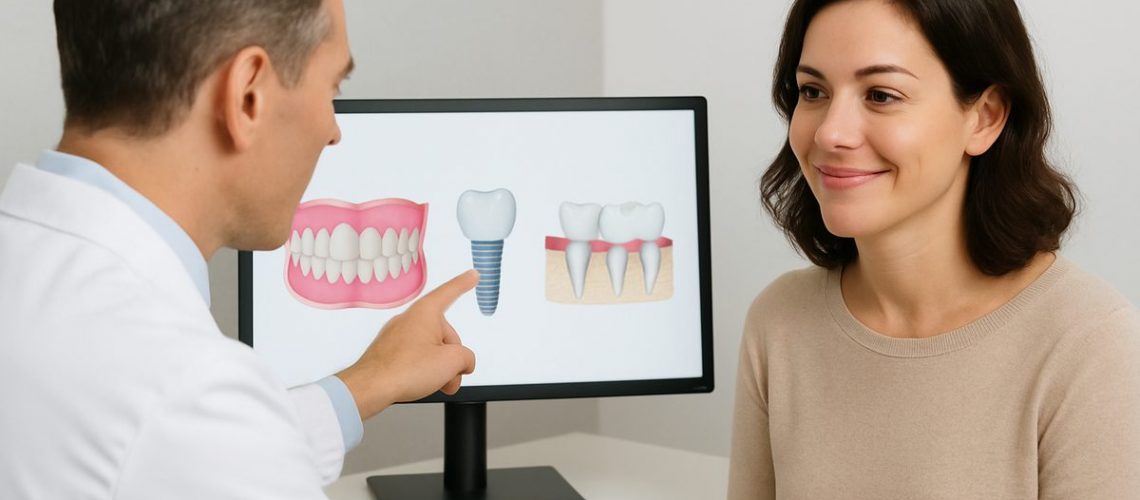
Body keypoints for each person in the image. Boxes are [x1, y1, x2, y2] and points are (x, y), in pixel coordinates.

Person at [0, 0, 478, 497]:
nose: (333, 130)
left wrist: (366, 384)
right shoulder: (188, 391)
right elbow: (196, 436)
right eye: (333, 86)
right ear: (248, 95)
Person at [728, 0, 1140, 498]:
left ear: (984, 118)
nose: (830, 132)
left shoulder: (1088, 344)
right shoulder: (780, 321)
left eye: (881, 94)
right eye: (813, 91)